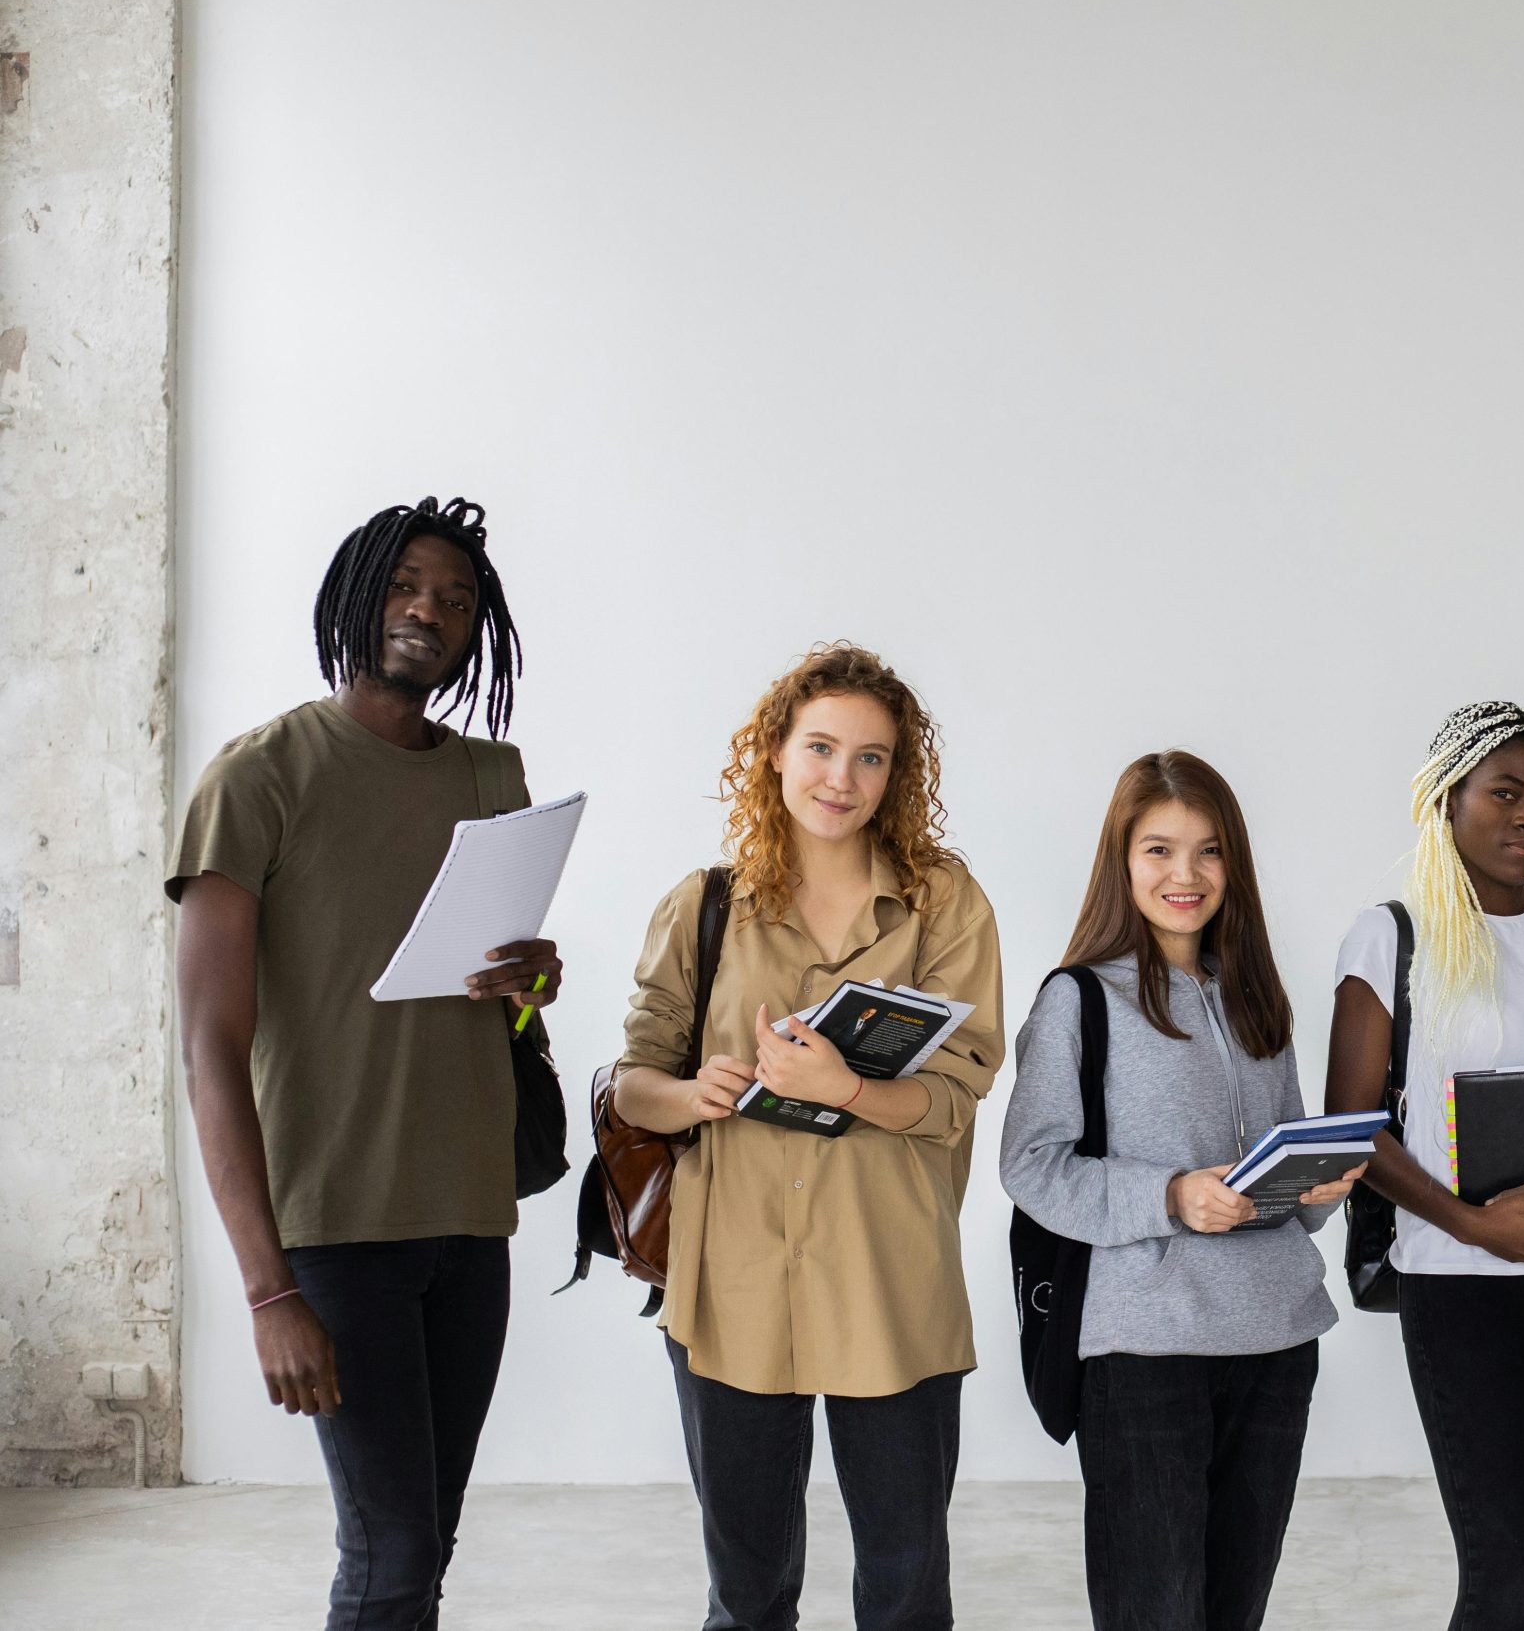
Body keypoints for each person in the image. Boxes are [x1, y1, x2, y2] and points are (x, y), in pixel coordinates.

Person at [171, 497, 563, 1629]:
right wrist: (266, 1290)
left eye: (454, 598)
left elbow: (503, 1004)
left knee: (422, 1547)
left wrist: (533, 978)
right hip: (335, 1231)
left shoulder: (495, 775)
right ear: (354, 595)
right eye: (404, 586)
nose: (426, 611)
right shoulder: (260, 778)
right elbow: (209, 1049)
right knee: (387, 1556)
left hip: (468, 1215)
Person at [611, 643, 1003, 1631]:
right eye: (821, 747)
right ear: (775, 752)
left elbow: (958, 1096)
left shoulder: (943, 904)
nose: (842, 778)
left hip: (888, 1280)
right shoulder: (700, 907)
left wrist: (845, 1089)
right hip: (728, 1287)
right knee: (744, 1598)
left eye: (871, 758)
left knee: (906, 1593)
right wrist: (695, 1092)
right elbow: (631, 1084)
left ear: (897, 775)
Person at [1001, 751, 1362, 1631]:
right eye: (1158, 849)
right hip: (1143, 1353)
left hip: (1277, 1342)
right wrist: (1169, 1194)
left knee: (1234, 1613)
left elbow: (1284, 1189)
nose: (1185, 875)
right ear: (1121, 861)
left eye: (1208, 851)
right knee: (1156, 1615)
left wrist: (1324, 1185)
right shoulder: (1077, 1000)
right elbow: (1031, 1165)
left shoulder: (1255, 998)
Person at [1323, 702, 1524, 1631]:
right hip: (1459, 1284)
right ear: (1445, 797)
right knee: (1503, 1573)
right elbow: (1351, 1126)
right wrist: (1472, 1223)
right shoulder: (1393, 936)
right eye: (1505, 792)